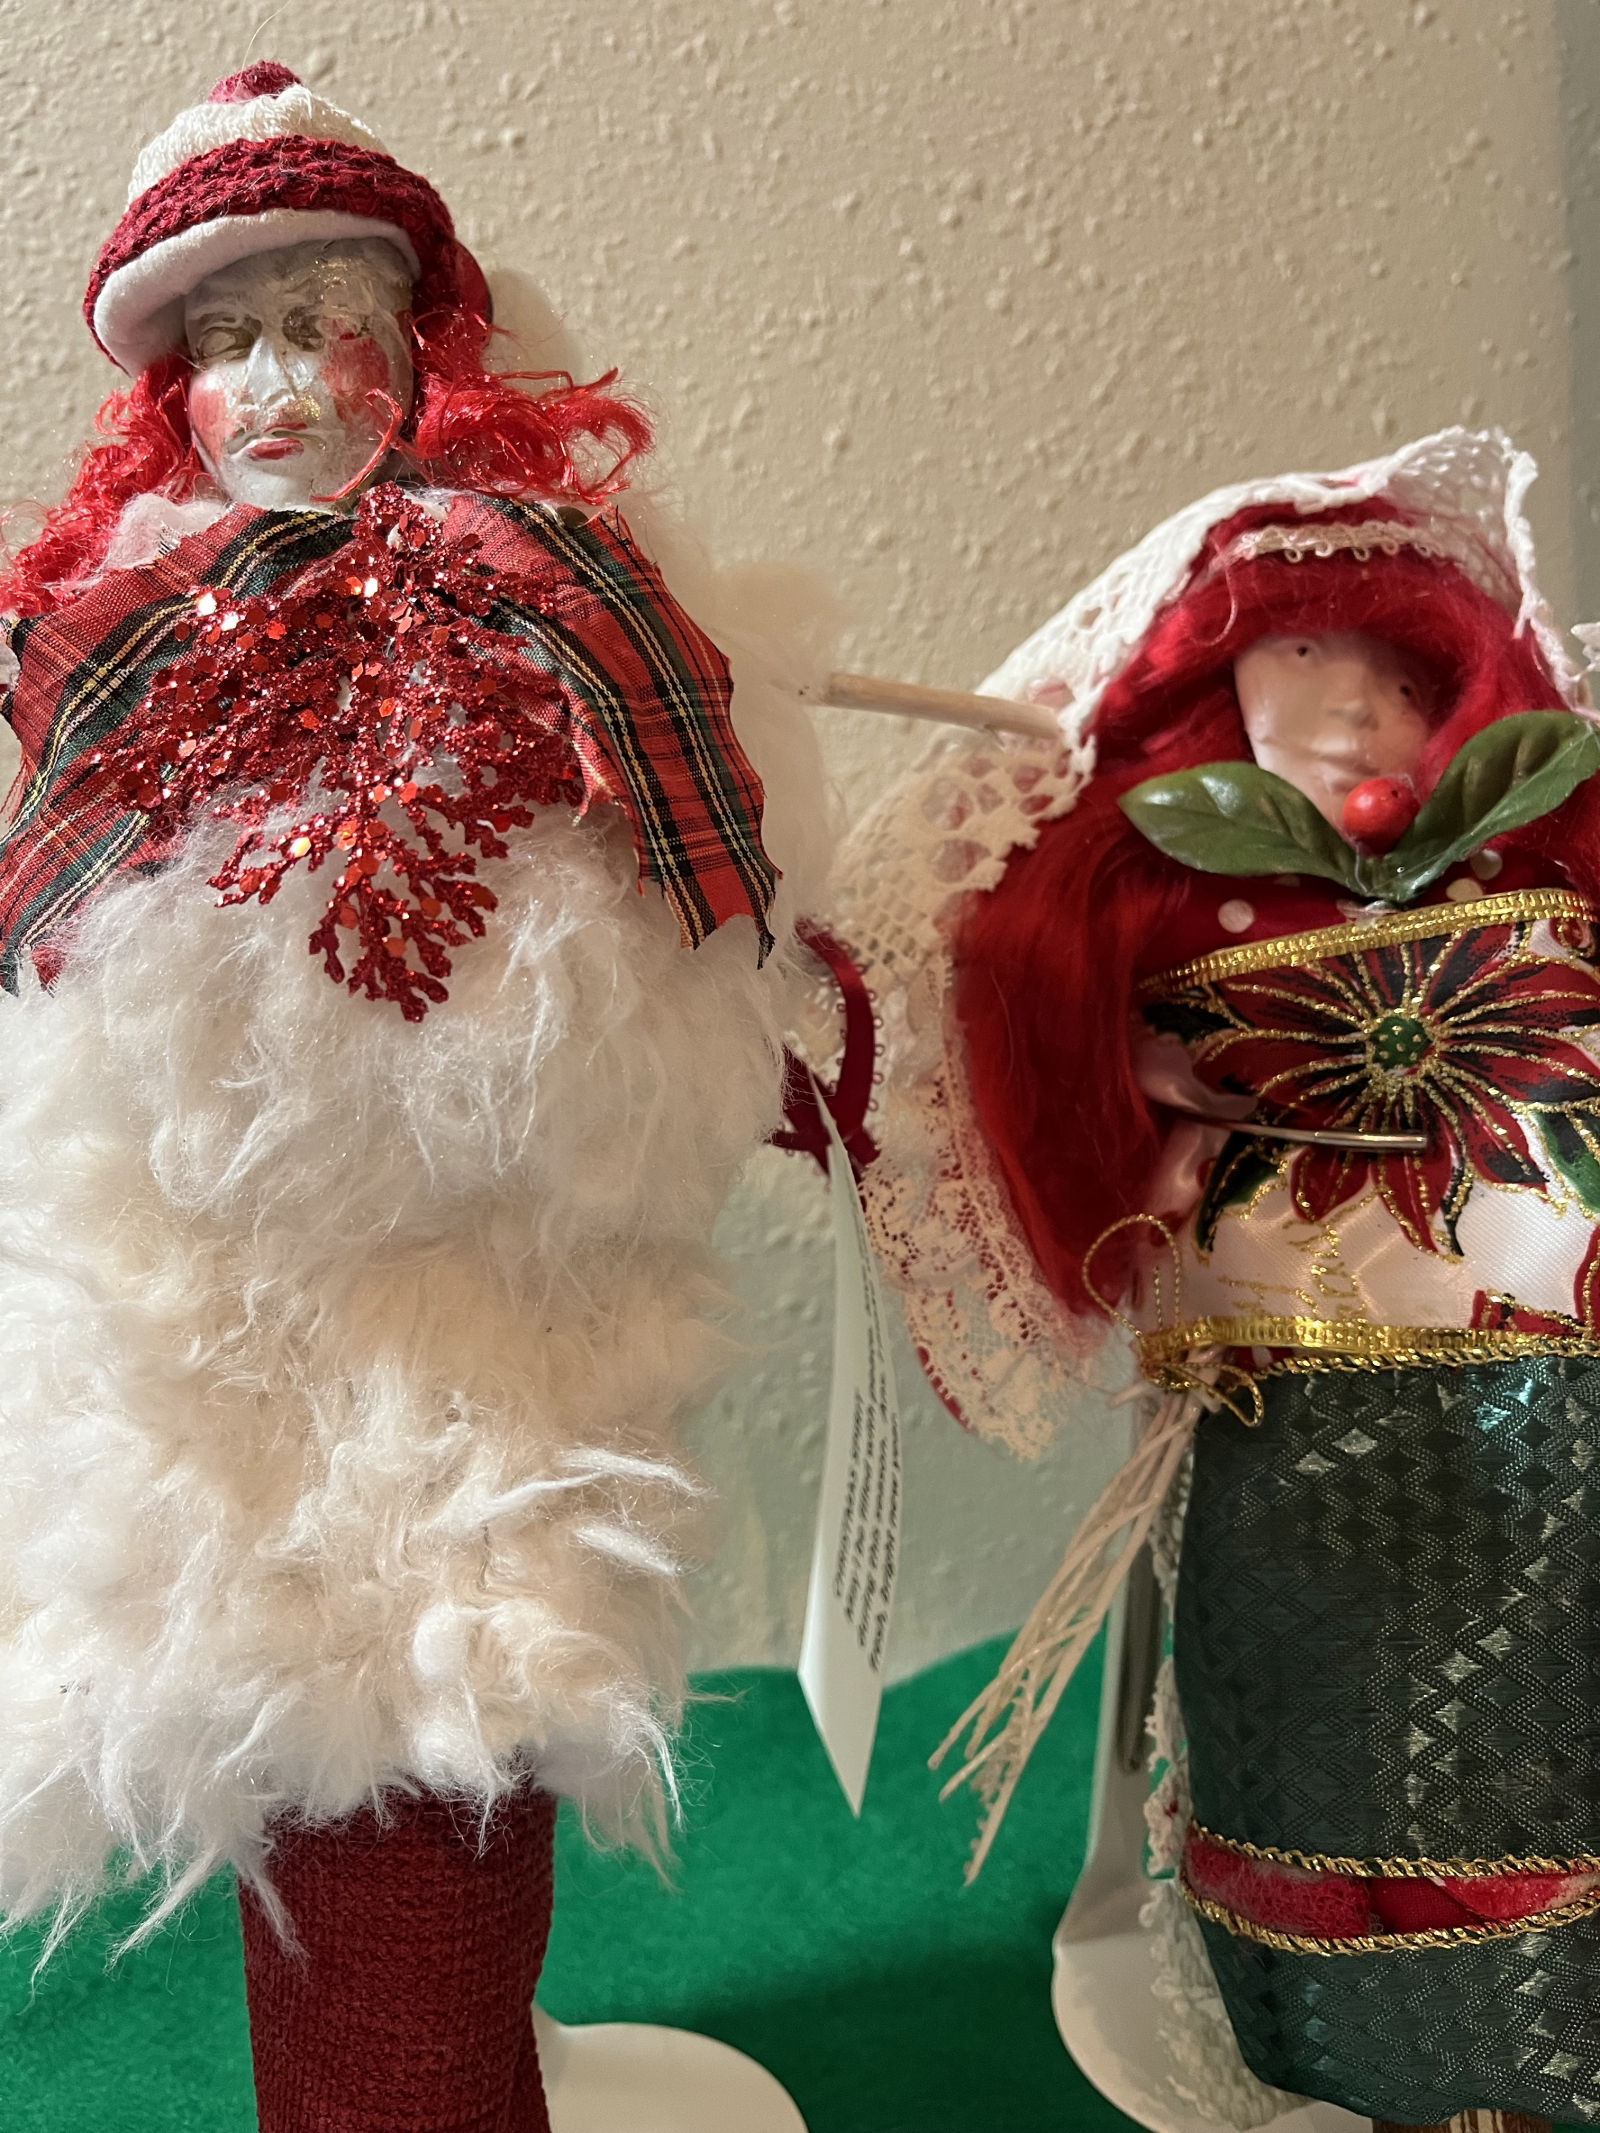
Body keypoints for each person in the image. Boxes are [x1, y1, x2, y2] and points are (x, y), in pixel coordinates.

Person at [0, 62, 821, 2133]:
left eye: (320, 320)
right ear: (166, 394)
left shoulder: (544, 603)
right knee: (296, 1711)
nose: (275, 380)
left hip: (490, 1331)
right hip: (226, 1347)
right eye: (225, 339)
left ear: (420, 346)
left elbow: (682, 954)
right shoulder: (124, 652)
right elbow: (66, 976)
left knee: (465, 1687)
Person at [835, 430, 1600, 2132]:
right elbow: (1078, 1078)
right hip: (1289, 1363)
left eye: (1395, 671)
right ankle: (1359, 2028)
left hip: (1550, 1350)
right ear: (1213, 690)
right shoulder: (1174, 893)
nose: (1349, 700)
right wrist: (1151, 1107)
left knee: (1542, 1670)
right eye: (1300, 651)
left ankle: (1543, 2009)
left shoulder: (1527, 861)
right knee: (1318, 1681)